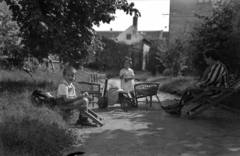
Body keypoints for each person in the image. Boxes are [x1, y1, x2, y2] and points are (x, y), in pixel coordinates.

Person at [165, 49, 229, 116]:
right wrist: (201, 84)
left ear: (210, 57)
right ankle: (177, 108)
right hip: (211, 89)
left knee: (190, 90)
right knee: (189, 89)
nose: (205, 60)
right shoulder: (216, 66)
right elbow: (210, 80)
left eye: (205, 58)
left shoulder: (218, 66)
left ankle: (176, 107)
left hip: (215, 92)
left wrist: (201, 84)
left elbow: (211, 80)